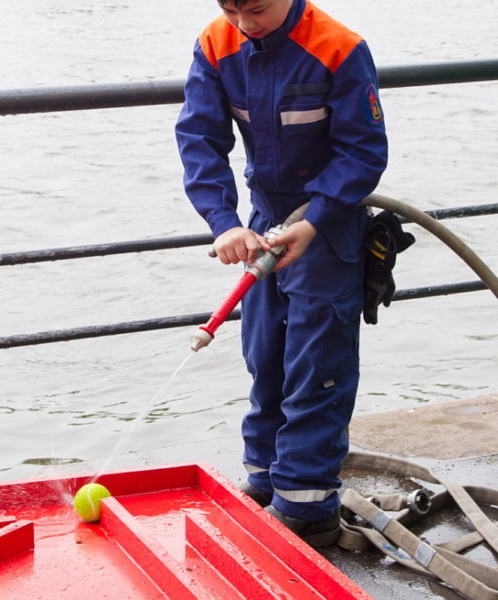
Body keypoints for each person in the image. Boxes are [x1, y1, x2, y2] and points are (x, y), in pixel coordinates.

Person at [175, 0, 388, 547]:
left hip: (327, 222)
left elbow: (363, 154)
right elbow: (199, 140)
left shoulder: (338, 48)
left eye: (258, 9)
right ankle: (267, 482)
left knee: (317, 365)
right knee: (264, 353)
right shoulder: (215, 43)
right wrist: (224, 224)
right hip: (263, 220)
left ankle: (307, 507)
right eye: (231, 8)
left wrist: (315, 220)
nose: (245, 24)